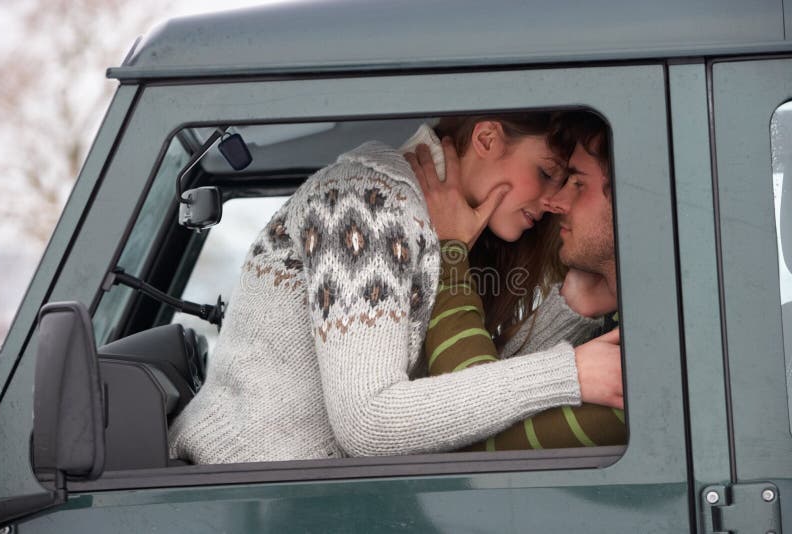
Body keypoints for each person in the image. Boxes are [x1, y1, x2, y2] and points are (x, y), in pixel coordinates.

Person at [168, 113, 622, 464]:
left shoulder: (433, 225)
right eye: (546, 172)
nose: (552, 200)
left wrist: (573, 307)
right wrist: (570, 374)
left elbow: (471, 399)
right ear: (486, 139)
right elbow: (368, 422)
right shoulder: (364, 202)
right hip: (241, 496)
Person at [408, 112, 623, 450]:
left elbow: (472, 433)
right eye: (550, 175)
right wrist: (572, 305)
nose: (556, 202)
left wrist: (449, 247)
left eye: (577, 183)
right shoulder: (622, 321)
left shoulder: (647, 354)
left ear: (630, 197)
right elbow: (509, 401)